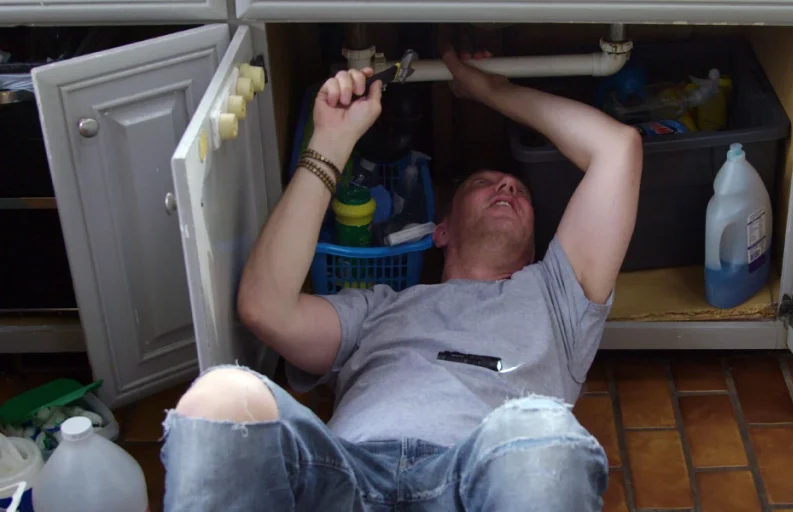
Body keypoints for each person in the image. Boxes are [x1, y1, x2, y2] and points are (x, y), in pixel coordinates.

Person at [161, 49, 642, 511]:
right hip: (349, 477)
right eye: (483, 184)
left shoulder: (555, 296)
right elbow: (265, 308)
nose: (507, 187)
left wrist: (491, 90)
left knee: (541, 429)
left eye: (518, 191)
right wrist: (330, 142)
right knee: (221, 396)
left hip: (479, 479)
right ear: (442, 230)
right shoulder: (379, 307)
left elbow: (617, 148)